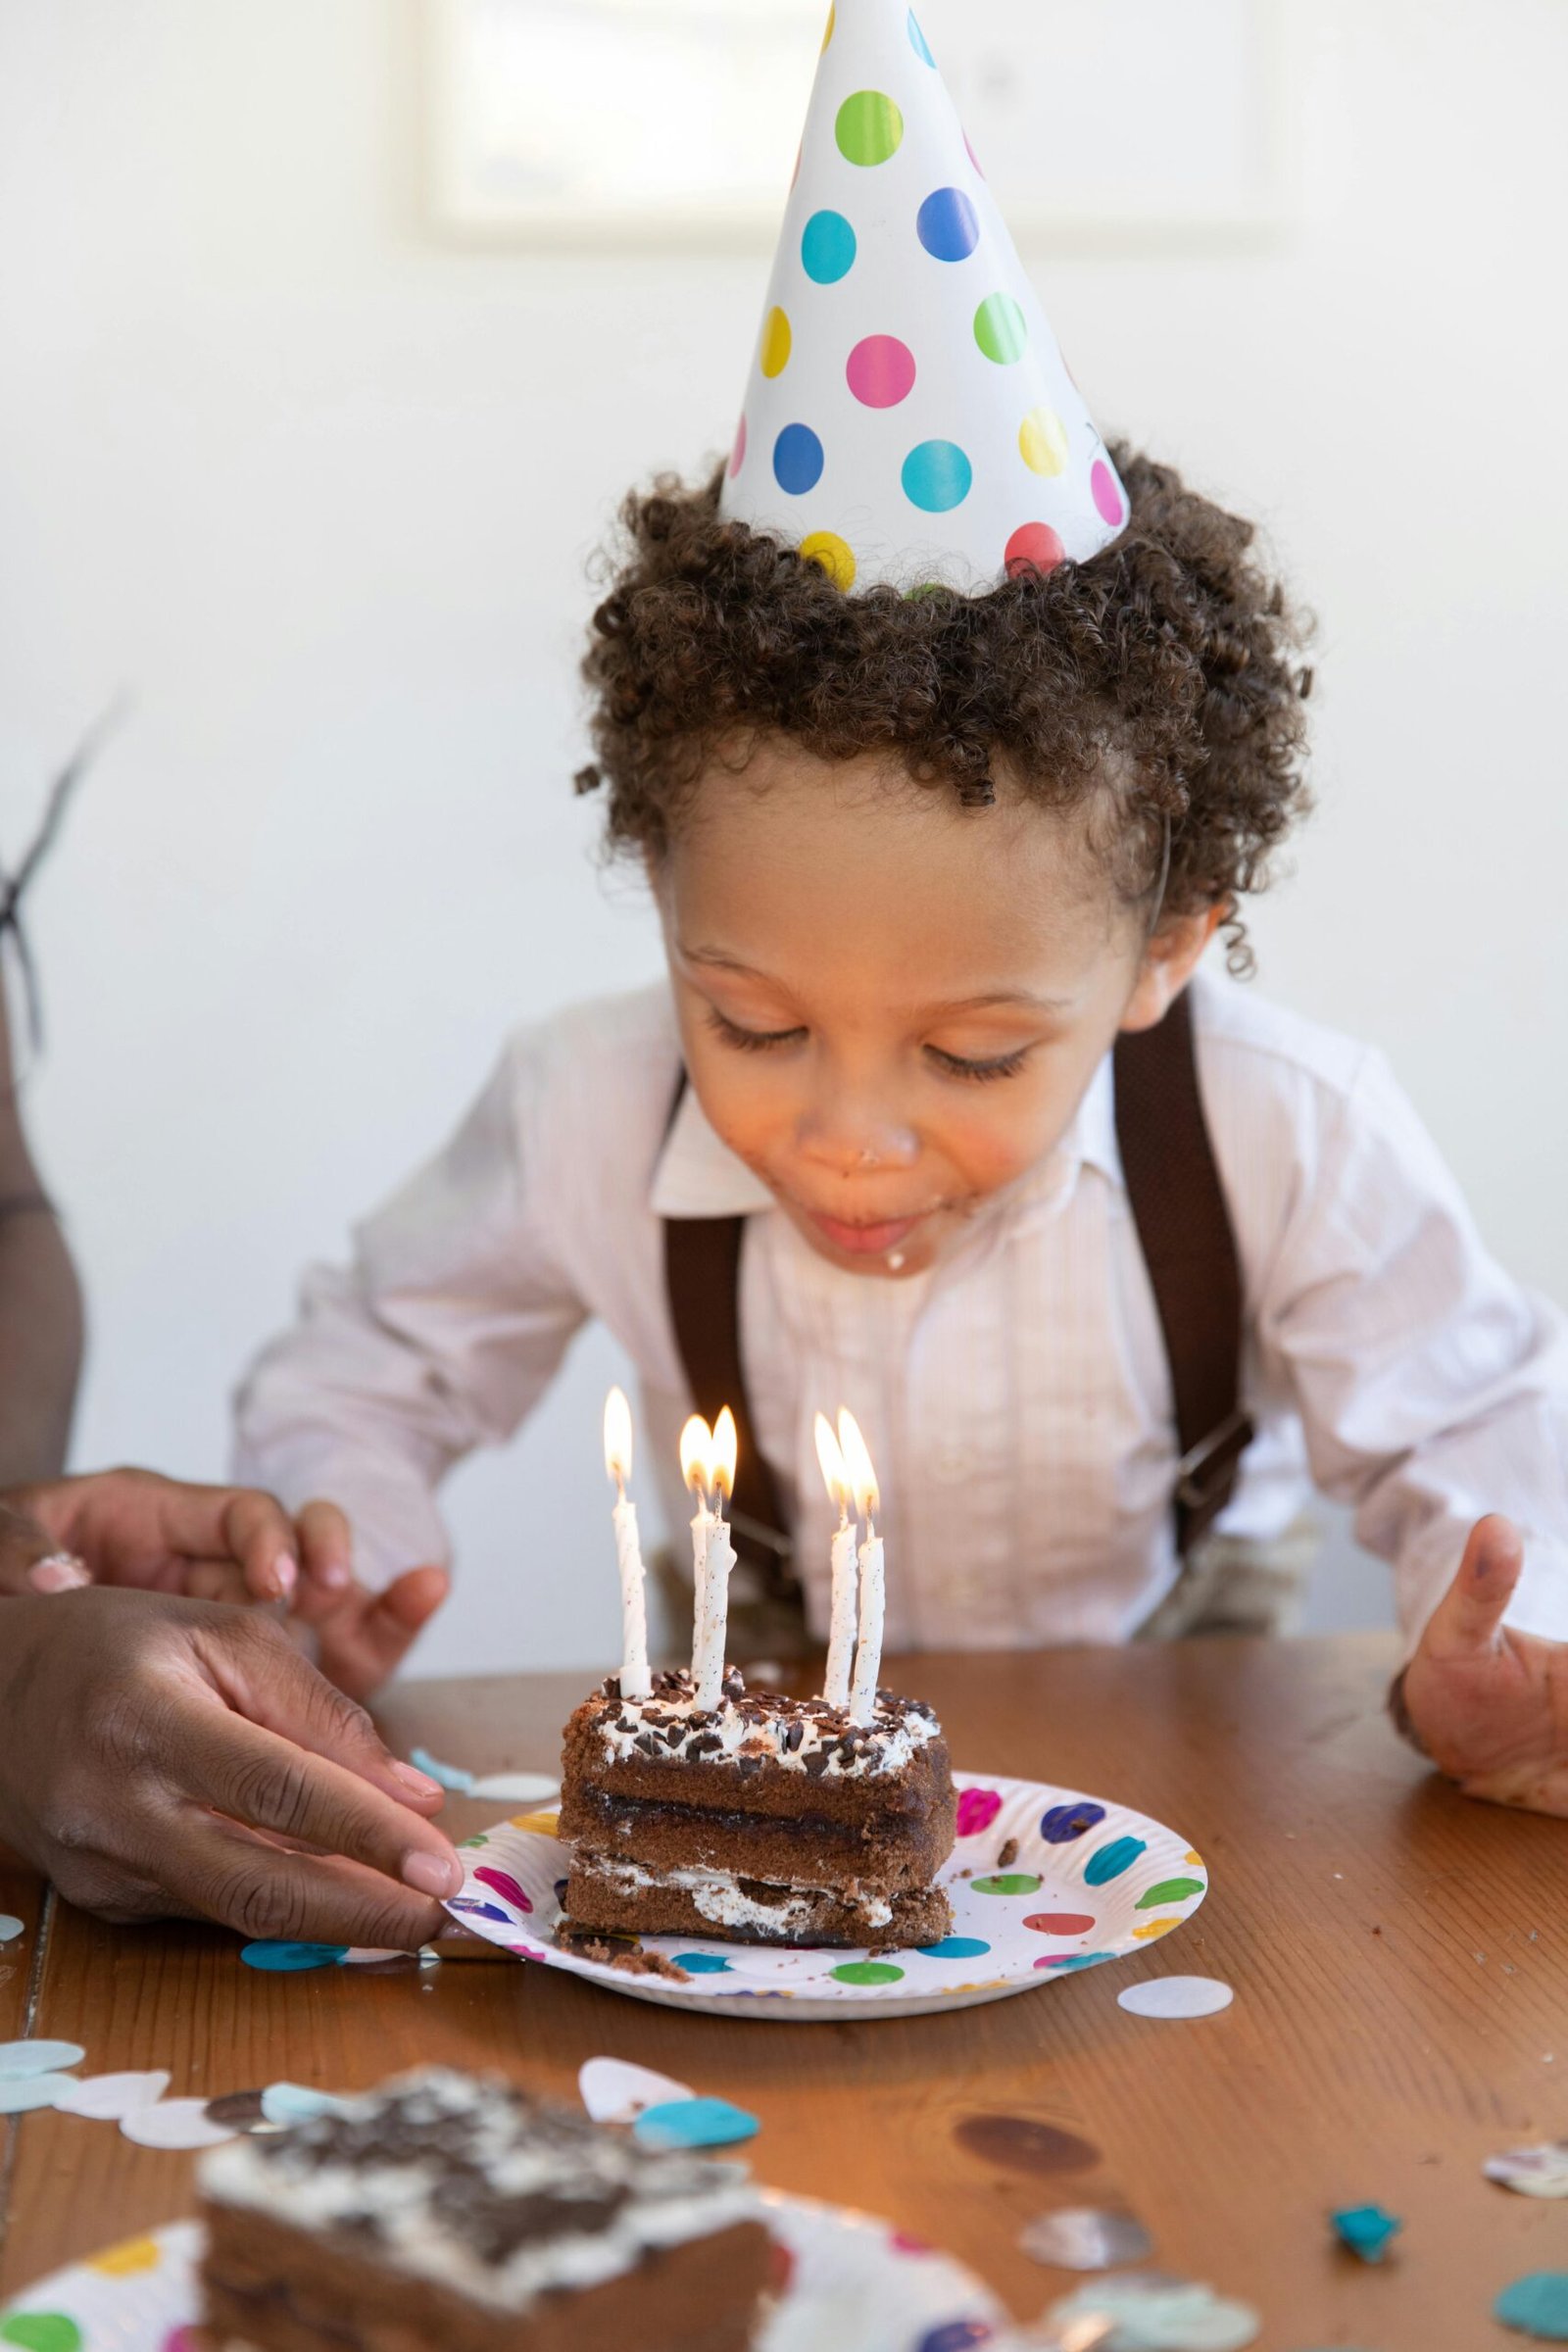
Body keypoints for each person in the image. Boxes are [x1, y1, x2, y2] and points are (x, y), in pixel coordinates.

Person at [231, 5, 1568, 1819]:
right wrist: (337, 1528)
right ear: (661, 895)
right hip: (760, 1791)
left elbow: (1479, 1439)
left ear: (1167, 945)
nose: (846, 1133)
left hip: (1192, 1764)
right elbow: (372, 1361)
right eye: (755, 1024)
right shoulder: (582, 1111)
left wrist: (1506, 1646)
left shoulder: (1286, 1129)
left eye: (973, 1049)